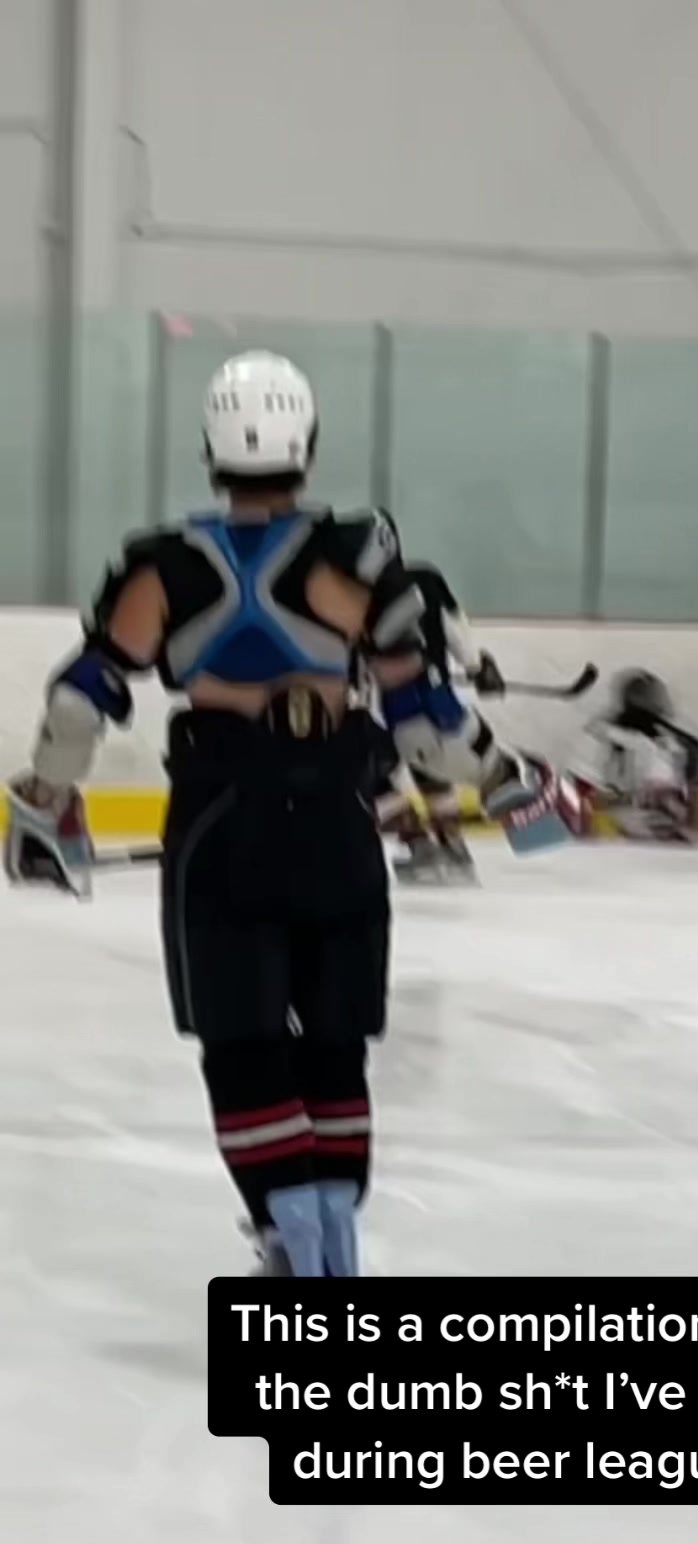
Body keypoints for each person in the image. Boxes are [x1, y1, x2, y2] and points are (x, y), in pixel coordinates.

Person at [5, 351, 418, 1278]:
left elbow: (81, 699)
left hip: (223, 816)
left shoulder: (161, 569)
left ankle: (288, 1236)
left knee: (243, 1041)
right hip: (337, 812)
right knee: (336, 1043)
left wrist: (44, 798)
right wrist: (505, 781)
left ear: (209, 449)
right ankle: (335, 1246)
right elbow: (424, 716)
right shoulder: (357, 559)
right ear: (308, 445)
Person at [364, 520, 566, 868]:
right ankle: (457, 847)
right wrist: (478, 668)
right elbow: (457, 634)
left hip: (401, 729)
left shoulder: (353, 595)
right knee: (484, 772)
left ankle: (424, 847)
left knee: (403, 778)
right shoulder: (424, 579)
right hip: (447, 720)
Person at [563, 670, 698, 840]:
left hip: (655, 816)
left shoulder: (653, 743)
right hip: (650, 815)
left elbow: (595, 729)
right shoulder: (664, 742)